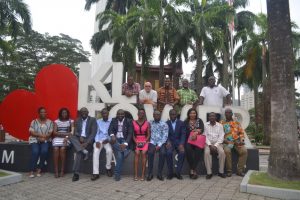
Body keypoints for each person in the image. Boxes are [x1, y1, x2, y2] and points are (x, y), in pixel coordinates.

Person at [68, 107, 97, 182]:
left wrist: (86, 142)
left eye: (85, 111)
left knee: (78, 153)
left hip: (88, 141)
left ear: (88, 112)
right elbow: (76, 132)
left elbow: (93, 133)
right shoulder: (77, 120)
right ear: (80, 113)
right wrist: (80, 136)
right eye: (82, 112)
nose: (83, 113)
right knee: (70, 136)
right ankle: (84, 151)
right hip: (79, 140)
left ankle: (76, 174)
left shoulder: (93, 120)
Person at [221, 108, 247, 177]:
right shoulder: (221, 123)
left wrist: (242, 140)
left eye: (229, 112)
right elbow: (220, 135)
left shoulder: (237, 123)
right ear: (225, 114)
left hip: (237, 141)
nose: (228, 114)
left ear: (232, 114)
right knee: (227, 151)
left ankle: (240, 171)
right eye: (226, 113)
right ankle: (229, 171)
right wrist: (225, 140)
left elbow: (241, 133)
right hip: (227, 142)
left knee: (244, 151)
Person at [28, 107, 53, 178]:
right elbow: (32, 132)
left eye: (44, 112)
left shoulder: (50, 122)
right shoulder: (34, 122)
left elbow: (50, 133)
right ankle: (31, 170)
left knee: (44, 151)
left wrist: (43, 138)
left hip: (45, 140)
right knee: (35, 151)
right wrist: (40, 136)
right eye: (41, 112)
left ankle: (39, 169)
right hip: (35, 140)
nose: (43, 113)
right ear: (39, 113)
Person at [109, 109, 133, 181]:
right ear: (116, 115)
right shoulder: (114, 120)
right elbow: (110, 130)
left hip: (124, 139)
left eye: (121, 114)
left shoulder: (129, 121)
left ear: (124, 115)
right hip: (115, 140)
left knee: (119, 156)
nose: (120, 115)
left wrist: (125, 143)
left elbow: (130, 133)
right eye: (118, 114)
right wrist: (112, 135)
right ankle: (125, 151)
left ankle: (117, 174)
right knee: (120, 151)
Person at [91, 108, 113, 181]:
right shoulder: (98, 121)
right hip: (99, 140)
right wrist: (97, 141)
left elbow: (113, 132)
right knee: (96, 152)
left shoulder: (111, 121)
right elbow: (96, 132)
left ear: (108, 114)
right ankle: (95, 173)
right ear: (101, 114)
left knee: (109, 151)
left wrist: (108, 139)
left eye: (106, 113)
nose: (104, 115)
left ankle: (108, 168)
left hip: (107, 141)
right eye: (103, 113)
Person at [147, 110, 169, 181]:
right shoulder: (150, 123)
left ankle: (159, 173)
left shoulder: (164, 124)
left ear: (160, 116)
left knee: (163, 153)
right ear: (153, 116)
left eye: (158, 115)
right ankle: (150, 173)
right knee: (150, 153)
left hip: (161, 142)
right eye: (155, 115)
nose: (157, 116)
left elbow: (165, 136)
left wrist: (159, 145)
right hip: (152, 142)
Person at [52, 108, 74, 178]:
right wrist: (66, 133)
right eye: (63, 113)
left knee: (62, 149)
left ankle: (62, 170)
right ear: (60, 114)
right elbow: (54, 133)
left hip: (66, 139)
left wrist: (66, 136)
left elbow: (72, 132)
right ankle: (56, 171)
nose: (64, 114)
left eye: (65, 113)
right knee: (55, 149)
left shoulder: (71, 121)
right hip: (57, 139)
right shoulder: (56, 121)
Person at [204, 112, 226, 179]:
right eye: (210, 116)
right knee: (206, 153)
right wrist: (210, 145)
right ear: (208, 117)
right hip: (208, 143)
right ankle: (209, 173)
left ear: (216, 117)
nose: (212, 117)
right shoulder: (205, 125)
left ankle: (221, 172)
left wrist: (215, 146)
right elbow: (205, 136)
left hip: (218, 143)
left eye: (213, 116)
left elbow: (221, 137)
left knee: (222, 153)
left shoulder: (220, 125)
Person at [184, 108, 204, 179]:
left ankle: (192, 169)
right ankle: (194, 169)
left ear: (196, 114)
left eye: (194, 113)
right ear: (188, 114)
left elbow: (202, 129)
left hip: (198, 140)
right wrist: (195, 131)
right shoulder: (186, 121)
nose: (192, 114)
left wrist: (195, 132)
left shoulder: (199, 120)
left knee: (199, 150)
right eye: (191, 113)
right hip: (189, 140)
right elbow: (185, 131)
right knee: (188, 149)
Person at [165, 109, 186, 180]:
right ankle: (170, 173)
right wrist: (167, 141)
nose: (172, 116)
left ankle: (178, 173)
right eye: (171, 114)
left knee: (182, 152)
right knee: (168, 153)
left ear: (176, 115)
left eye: (174, 114)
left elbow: (183, 134)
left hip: (178, 142)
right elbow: (165, 134)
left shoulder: (181, 123)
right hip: (170, 142)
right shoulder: (166, 123)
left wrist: (182, 144)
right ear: (169, 115)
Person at [132, 108, 150, 181]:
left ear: (144, 114)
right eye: (140, 113)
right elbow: (132, 134)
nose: (141, 114)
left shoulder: (147, 123)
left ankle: (142, 175)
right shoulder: (133, 122)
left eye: (142, 113)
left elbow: (148, 134)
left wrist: (145, 141)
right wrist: (135, 141)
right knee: (136, 153)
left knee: (143, 153)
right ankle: (136, 175)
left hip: (145, 140)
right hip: (136, 140)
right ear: (137, 114)